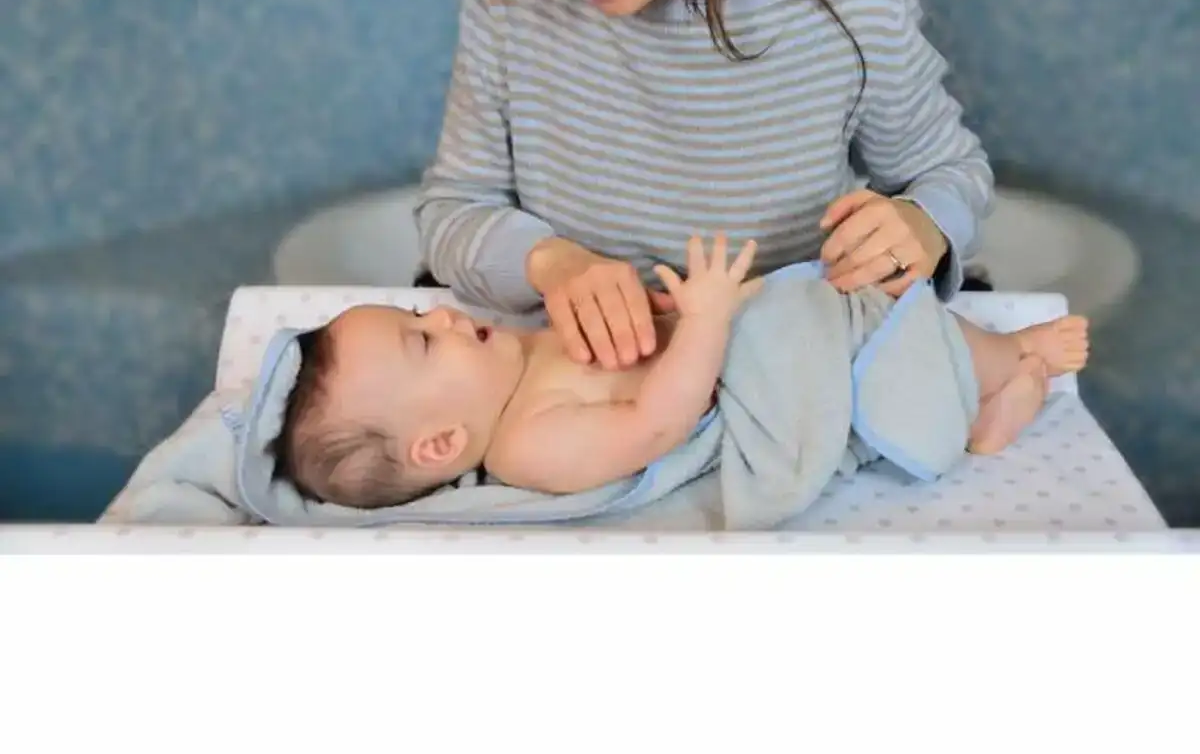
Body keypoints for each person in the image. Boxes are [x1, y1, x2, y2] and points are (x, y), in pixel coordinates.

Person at [415, 0, 995, 372]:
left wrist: (922, 223)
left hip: (783, 380)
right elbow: (453, 210)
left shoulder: (852, 13)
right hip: (575, 382)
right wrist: (553, 264)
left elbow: (950, 172)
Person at [276, 235, 1089, 510]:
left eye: (421, 316)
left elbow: (628, 345)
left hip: (753, 340)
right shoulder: (527, 446)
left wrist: (664, 314)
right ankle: (1014, 363)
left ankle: (996, 383)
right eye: (424, 343)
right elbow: (655, 423)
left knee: (866, 311)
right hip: (755, 386)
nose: (445, 317)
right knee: (895, 352)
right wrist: (703, 323)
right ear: (440, 444)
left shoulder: (518, 354)